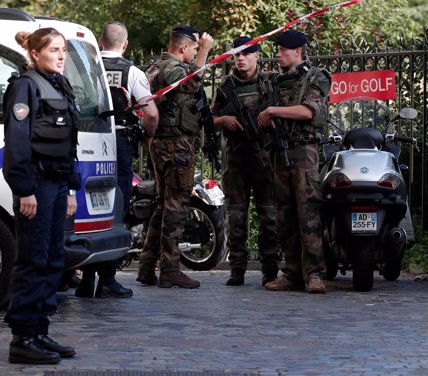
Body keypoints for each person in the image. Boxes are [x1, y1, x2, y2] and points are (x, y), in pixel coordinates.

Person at [3, 28, 80, 364]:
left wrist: (72, 188)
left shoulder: (60, 84)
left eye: (63, 50)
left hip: (58, 183)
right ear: (35, 53)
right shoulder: (25, 86)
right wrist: (25, 190)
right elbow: (17, 142)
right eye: (54, 50)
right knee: (32, 260)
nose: (61, 56)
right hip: (36, 184)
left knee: (52, 259)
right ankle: (22, 338)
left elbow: (68, 143)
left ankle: (39, 331)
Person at [75, 21, 158, 299]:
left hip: (89, 140)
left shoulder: (88, 67)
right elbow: (151, 112)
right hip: (120, 142)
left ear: (100, 40)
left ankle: (86, 279)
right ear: (125, 44)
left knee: (92, 209)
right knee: (116, 208)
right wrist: (147, 135)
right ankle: (108, 279)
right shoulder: (131, 71)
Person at [136, 25, 213, 289]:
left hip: (161, 145)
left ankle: (147, 267)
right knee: (175, 206)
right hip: (176, 147)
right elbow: (191, 84)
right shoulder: (172, 68)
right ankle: (170, 269)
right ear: (183, 47)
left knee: (162, 205)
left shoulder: (155, 67)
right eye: (192, 49)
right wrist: (204, 52)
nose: (194, 54)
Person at [257, 30, 330, 294]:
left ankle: (314, 274)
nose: (278, 55)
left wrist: (274, 111)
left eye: (282, 50)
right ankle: (291, 273)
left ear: (297, 52)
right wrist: (268, 117)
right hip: (279, 152)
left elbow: (309, 110)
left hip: (303, 152)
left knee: (308, 213)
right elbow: (261, 115)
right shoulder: (275, 82)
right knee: (285, 215)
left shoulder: (317, 77)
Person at [212, 36, 280, 286]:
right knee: (236, 214)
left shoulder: (270, 83)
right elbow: (209, 119)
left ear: (256, 56)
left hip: (265, 156)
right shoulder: (226, 86)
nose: (240, 58)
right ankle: (237, 268)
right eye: (236, 54)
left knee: (269, 215)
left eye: (245, 53)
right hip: (237, 157)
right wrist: (223, 121)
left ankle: (270, 268)